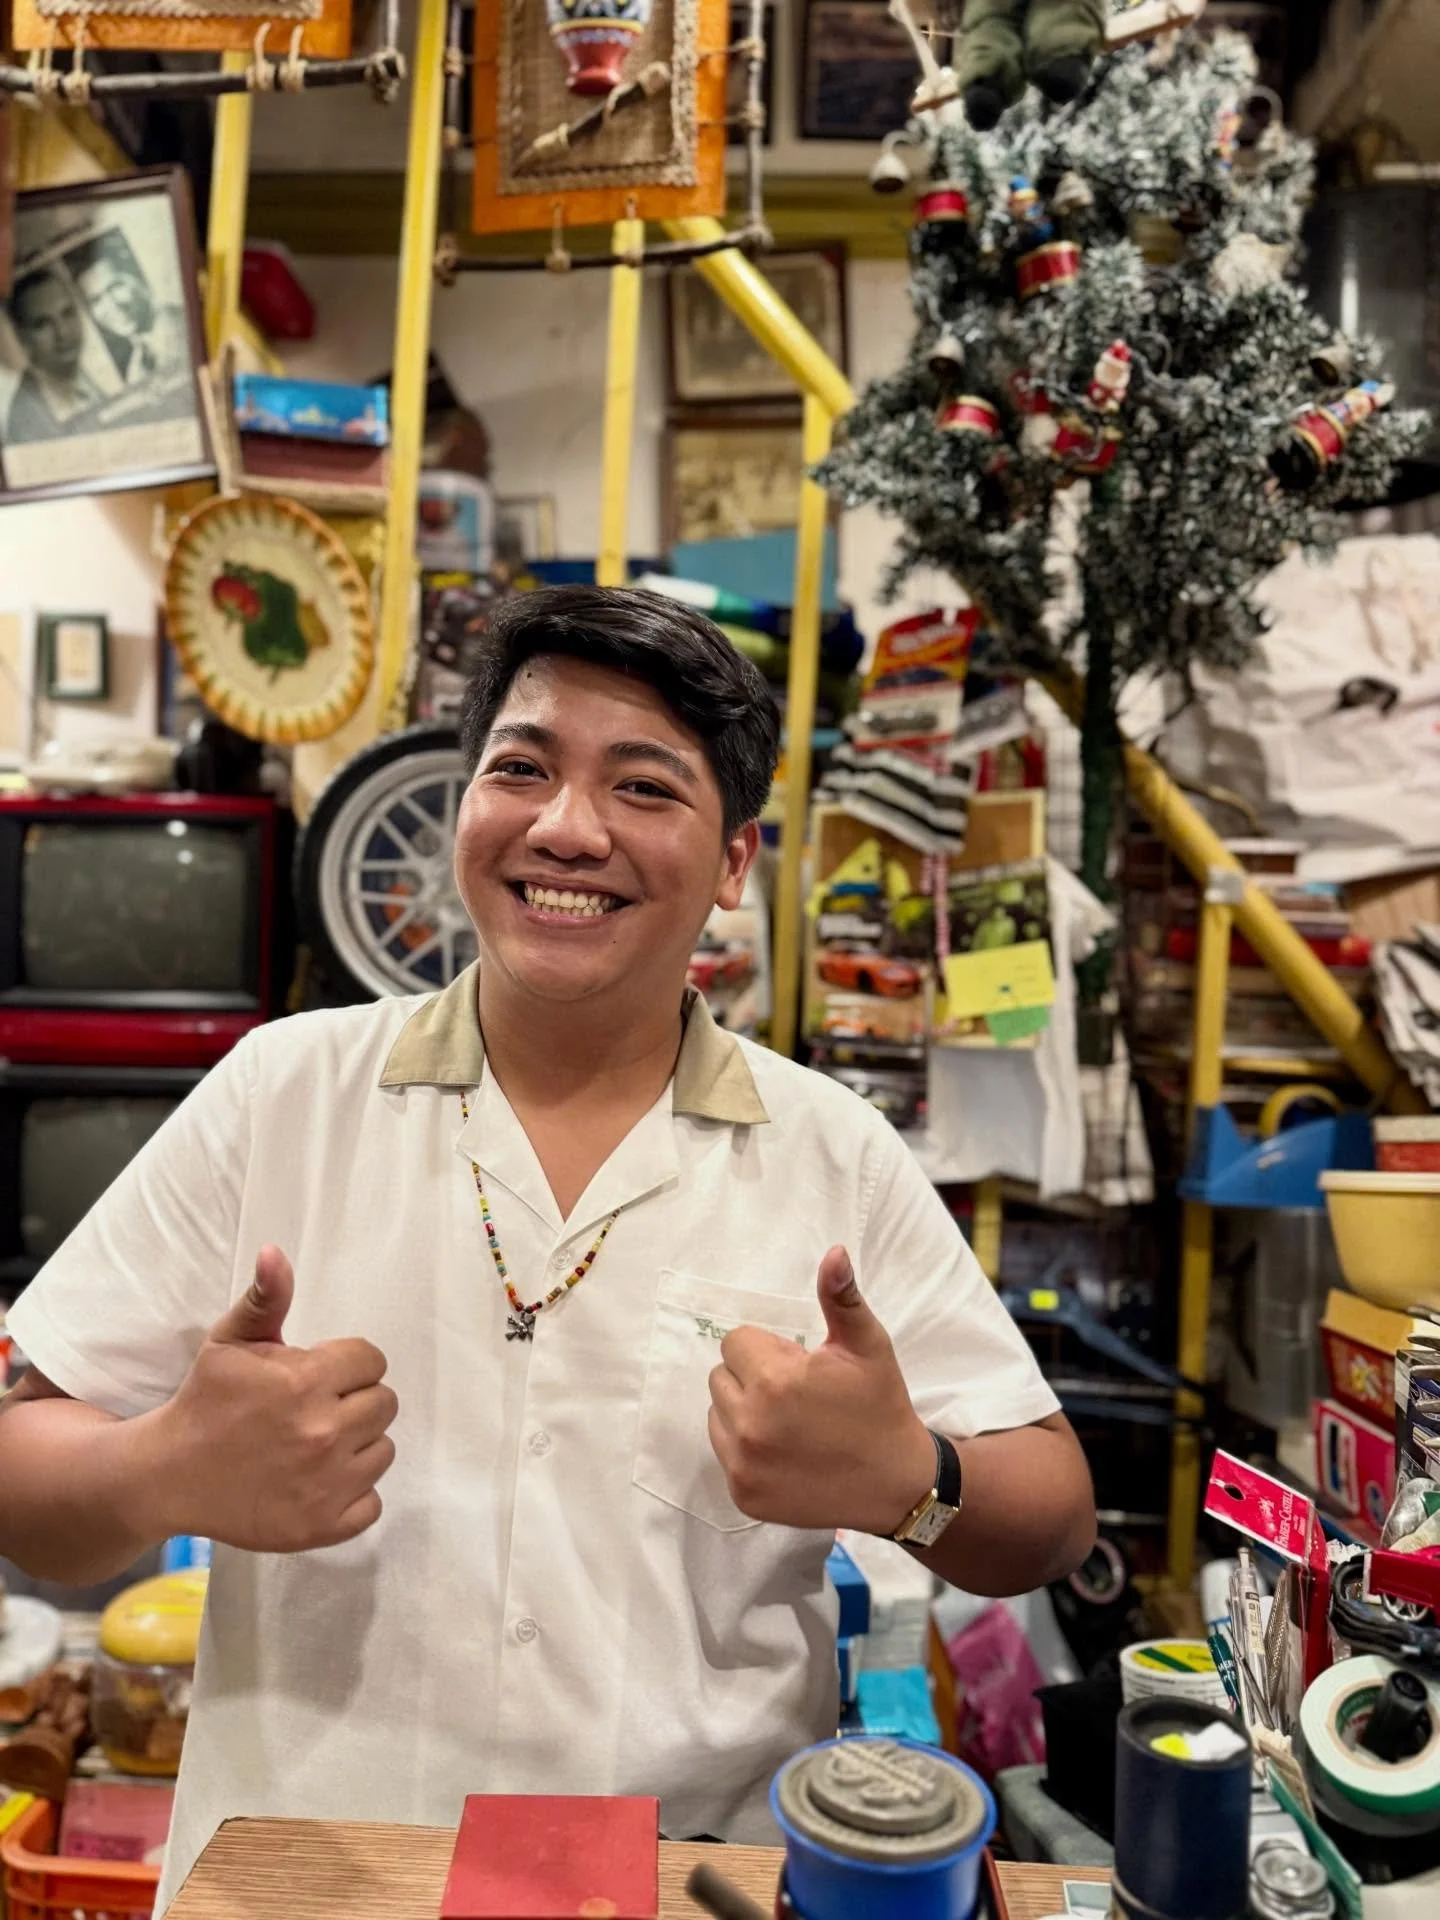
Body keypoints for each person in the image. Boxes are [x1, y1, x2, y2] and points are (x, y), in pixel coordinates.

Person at [0, 586, 1094, 1909]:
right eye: (521, 769)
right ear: (464, 806)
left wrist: (904, 1478)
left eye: (644, 788)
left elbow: (1052, 1516)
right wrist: (156, 1466)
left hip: (691, 1880)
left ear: (737, 861)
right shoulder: (279, 1095)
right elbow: (26, 1466)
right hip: (309, 1874)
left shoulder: (829, 1151)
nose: (568, 829)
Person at [3, 269, 106, 443]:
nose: (63, 333)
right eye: (43, 325)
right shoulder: (27, 419)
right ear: (22, 337)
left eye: (67, 313)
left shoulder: (100, 373)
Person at [68, 238, 187, 387]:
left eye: (115, 286)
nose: (113, 306)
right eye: (97, 300)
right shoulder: (135, 370)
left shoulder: (182, 325)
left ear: (136, 278)